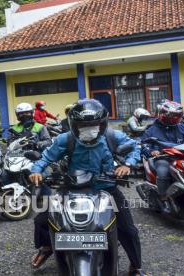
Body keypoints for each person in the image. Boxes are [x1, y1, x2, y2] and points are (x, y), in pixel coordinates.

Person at [29, 99, 147, 276]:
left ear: (103, 124)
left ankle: (135, 266)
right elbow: (46, 157)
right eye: (83, 125)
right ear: (74, 125)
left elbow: (134, 148)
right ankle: (47, 247)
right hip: (71, 188)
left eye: (94, 125)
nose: (89, 129)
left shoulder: (111, 136)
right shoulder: (65, 139)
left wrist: (127, 165)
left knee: (128, 229)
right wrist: (37, 170)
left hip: (106, 187)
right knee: (42, 220)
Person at [141, 100, 184, 213]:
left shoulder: (183, 128)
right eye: (170, 115)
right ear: (161, 114)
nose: (172, 118)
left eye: (176, 116)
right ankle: (164, 198)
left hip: (182, 158)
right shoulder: (151, 129)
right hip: (163, 158)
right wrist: (152, 152)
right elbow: (144, 144)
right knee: (163, 172)